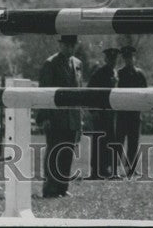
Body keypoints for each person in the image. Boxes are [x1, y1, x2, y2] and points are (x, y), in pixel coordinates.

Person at [37, 34, 83, 198]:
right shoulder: (51, 63)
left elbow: (79, 94)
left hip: (71, 117)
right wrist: (45, 117)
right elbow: (44, 92)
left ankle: (63, 187)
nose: (69, 48)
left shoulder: (77, 64)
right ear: (61, 45)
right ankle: (50, 188)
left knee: (67, 152)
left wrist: (79, 121)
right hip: (55, 116)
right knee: (54, 152)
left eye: (72, 45)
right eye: (66, 45)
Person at [86, 46, 119, 180]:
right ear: (106, 59)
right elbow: (89, 92)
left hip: (112, 113)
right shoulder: (99, 73)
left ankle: (107, 168)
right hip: (101, 112)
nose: (112, 61)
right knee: (99, 141)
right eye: (110, 58)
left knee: (112, 141)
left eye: (115, 59)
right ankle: (96, 170)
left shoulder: (115, 73)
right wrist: (93, 110)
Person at [114, 44, 147, 177]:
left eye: (131, 57)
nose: (129, 60)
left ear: (134, 58)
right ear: (124, 59)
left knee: (133, 143)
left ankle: (131, 169)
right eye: (126, 57)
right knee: (119, 142)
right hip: (122, 113)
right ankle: (115, 169)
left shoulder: (139, 74)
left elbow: (145, 92)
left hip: (134, 113)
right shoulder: (119, 74)